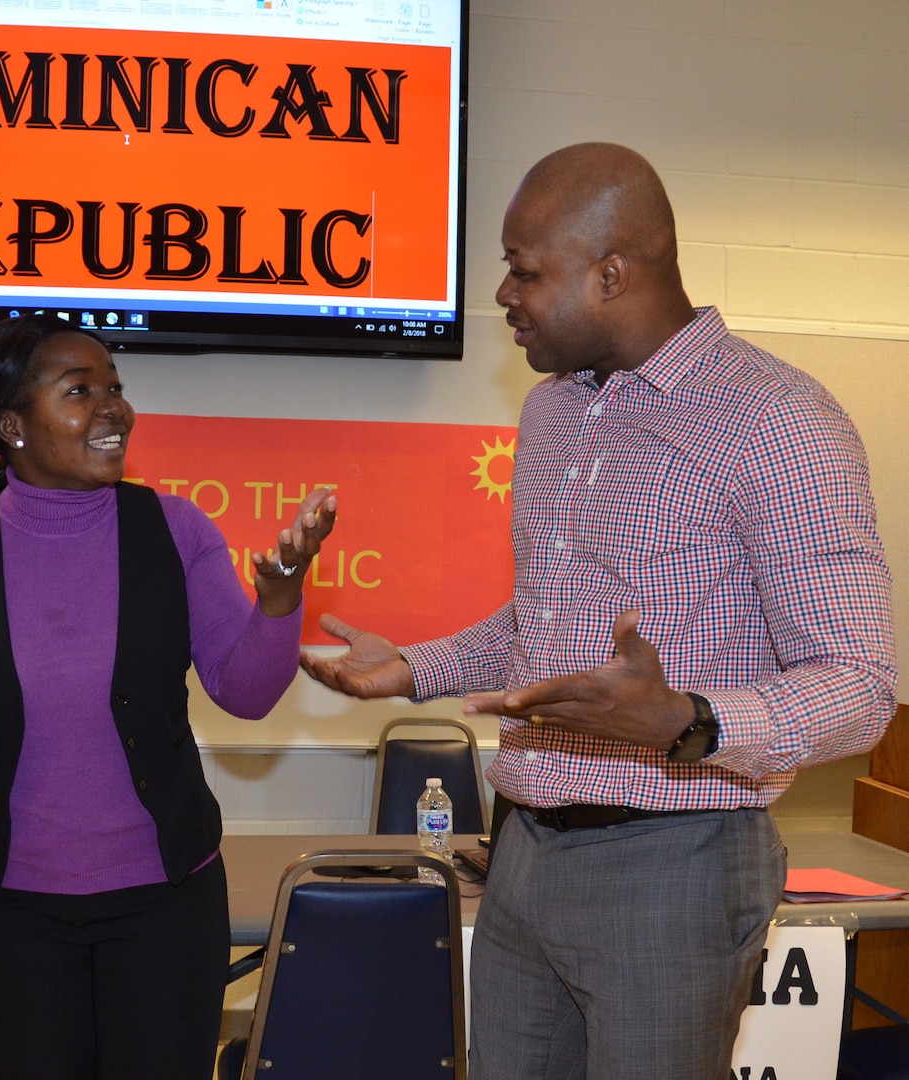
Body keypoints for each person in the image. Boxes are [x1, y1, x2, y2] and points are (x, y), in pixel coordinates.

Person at [301, 143, 896, 1080]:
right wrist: (419, 668)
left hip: (678, 866)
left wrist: (690, 723)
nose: (501, 292)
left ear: (611, 274)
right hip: (523, 852)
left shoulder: (779, 422)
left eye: (524, 269)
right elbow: (542, 627)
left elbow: (863, 685)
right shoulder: (552, 414)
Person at [0, 314, 337, 1080]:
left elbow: (247, 693)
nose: (112, 409)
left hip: (166, 900)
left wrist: (281, 600)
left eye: (116, 389)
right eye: (80, 391)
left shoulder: (173, 529)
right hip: (12, 912)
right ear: (11, 426)